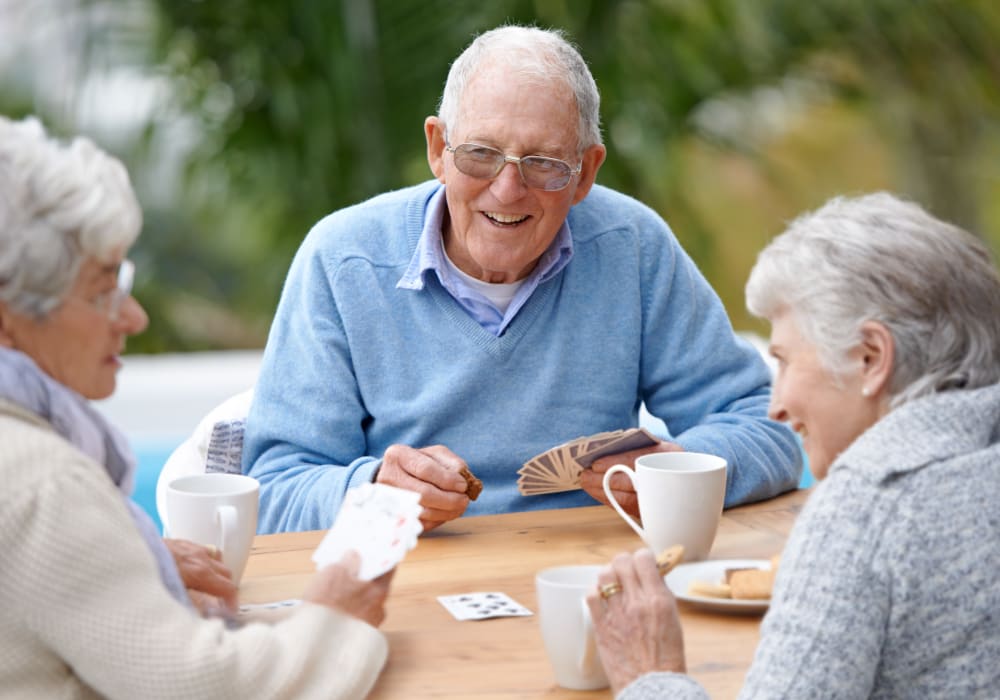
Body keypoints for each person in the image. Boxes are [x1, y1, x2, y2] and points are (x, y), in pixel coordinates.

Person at [243, 24, 802, 535]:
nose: (508, 190)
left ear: (585, 172)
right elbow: (271, 489)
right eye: (481, 154)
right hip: (406, 577)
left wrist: (677, 469)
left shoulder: (632, 247)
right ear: (438, 150)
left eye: (543, 163)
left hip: (589, 578)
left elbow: (770, 426)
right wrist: (368, 492)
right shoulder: (343, 260)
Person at [0, 115, 394, 698]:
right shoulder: (42, 482)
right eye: (103, 290)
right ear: (10, 318)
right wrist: (334, 616)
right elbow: (206, 687)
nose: (134, 318)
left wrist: (132, 568)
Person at [585, 192, 1000, 698]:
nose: (776, 405)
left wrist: (650, 676)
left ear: (871, 358)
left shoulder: (867, 509)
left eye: (783, 361)